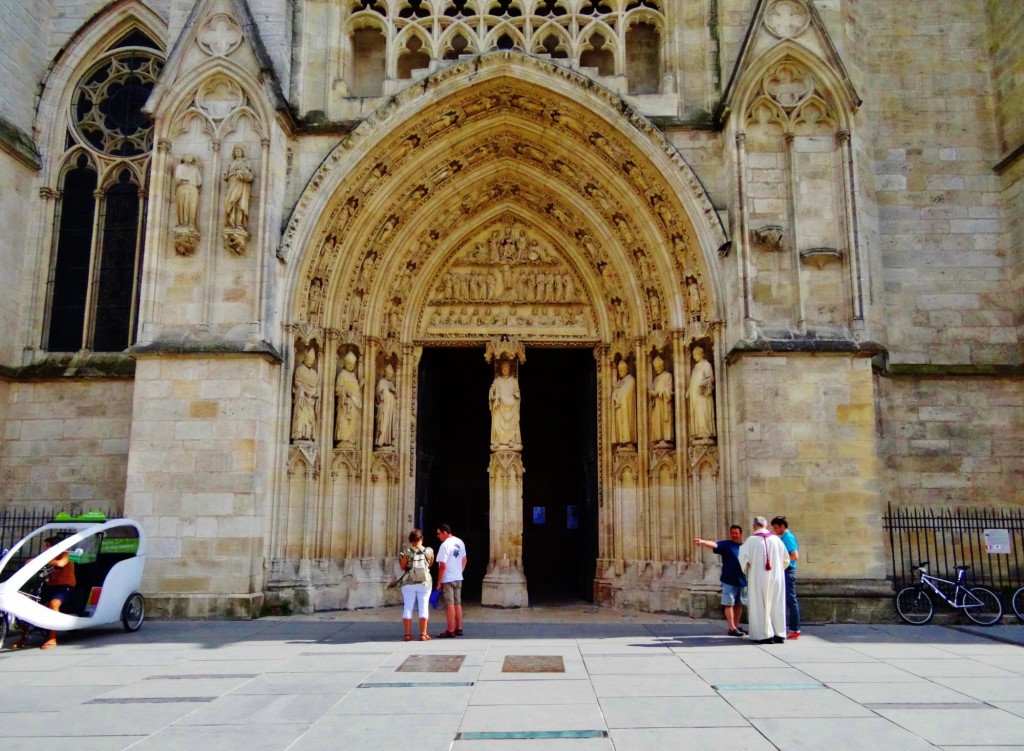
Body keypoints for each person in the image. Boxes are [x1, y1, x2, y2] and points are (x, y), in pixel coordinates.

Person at [13, 536, 76, 650]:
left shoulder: (66, 553)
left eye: (48, 545)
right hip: (49, 586)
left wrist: (41, 561)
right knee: (29, 604)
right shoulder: (45, 556)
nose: (45, 548)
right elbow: (29, 562)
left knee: (53, 604)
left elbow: (61, 564)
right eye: (45, 546)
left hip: (64, 587)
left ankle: (52, 638)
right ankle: (24, 637)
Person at [737, 516, 789, 644]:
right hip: (776, 576)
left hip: (758, 577)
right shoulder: (777, 540)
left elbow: (743, 560)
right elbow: (786, 559)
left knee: (759, 604)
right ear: (766, 526)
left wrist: (749, 570)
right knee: (777, 603)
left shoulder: (751, 541)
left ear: (754, 526)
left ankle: (763, 635)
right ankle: (779, 634)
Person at [695, 525, 747, 637]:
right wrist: (703, 542)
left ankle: (736, 626)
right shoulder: (727, 544)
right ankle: (731, 628)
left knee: (738, 604)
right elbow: (715, 544)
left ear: (741, 534)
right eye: (732, 533)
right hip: (729, 579)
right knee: (729, 603)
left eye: (736, 533)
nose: (734, 535)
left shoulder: (745, 546)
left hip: (742, 580)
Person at [398, 529, 434, 641]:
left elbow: (402, 567)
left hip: (408, 582)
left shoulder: (407, 552)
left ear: (410, 540)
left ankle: (407, 634)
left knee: (408, 607)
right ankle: (423, 634)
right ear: (421, 538)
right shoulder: (428, 551)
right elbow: (430, 564)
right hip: (424, 582)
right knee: (423, 607)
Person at [434, 523, 467, 638]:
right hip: (458, 577)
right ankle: (459, 627)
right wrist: (459, 571)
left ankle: (450, 629)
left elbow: (442, 565)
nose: (438, 536)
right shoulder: (460, 542)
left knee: (450, 604)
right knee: (458, 603)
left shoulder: (445, 545)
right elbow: (464, 559)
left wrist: (439, 582)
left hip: (448, 578)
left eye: (439, 534)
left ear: (445, 532)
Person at [772, 515, 801, 639]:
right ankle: (793, 628)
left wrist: (779, 560)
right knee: (789, 600)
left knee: (791, 600)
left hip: (788, 570)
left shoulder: (787, 537)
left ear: (783, 526)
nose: (775, 530)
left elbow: (794, 555)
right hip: (786, 569)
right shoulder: (784, 537)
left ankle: (794, 629)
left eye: (776, 528)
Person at [488, 359, 522, 451]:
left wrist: (517, 395)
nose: (505, 370)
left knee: (512, 422)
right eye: (504, 368)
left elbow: (517, 392)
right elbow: (492, 391)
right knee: (497, 419)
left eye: (507, 368)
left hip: (511, 406)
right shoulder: (497, 381)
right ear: (501, 369)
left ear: (510, 369)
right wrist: (493, 393)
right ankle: (498, 440)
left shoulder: (514, 381)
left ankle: (512, 440)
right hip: (500, 406)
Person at [223, 145, 254, 229]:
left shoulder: (245, 162)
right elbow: (226, 175)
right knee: (230, 202)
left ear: (242, 152)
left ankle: (239, 223)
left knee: (240, 203)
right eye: (235, 151)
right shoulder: (231, 163)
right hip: (232, 183)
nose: (237, 152)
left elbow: (250, 175)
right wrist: (226, 175)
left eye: (239, 151)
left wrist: (243, 173)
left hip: (241, 183)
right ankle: (230, 223)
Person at [688, 346, 716, 440]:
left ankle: (706, 433)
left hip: (703, 394)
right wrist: (690, 389)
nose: (694, 357)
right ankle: (699, 433)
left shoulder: (706, 364)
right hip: (694, 395)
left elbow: (711, 378)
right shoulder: (695, 367)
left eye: (695, 355)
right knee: (696, 414)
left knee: (703, 413)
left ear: (700, 354)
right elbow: (693, 380)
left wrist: (704, 383)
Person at [334, 351, 361, 446]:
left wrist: (360, 385)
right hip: (345, 404)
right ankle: (343, 440)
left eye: (353, 364)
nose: (351, 366)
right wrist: (345, 391)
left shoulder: (353, 376)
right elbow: (337, 388)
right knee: (344, 421)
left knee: (352, 422)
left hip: (354, 404)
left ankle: (350, 440)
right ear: (345, 363)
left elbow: (356, 391)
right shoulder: (342, 374)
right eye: (349, 364)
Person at [291, 349, 319, 441]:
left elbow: (317, 385)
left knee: (310, 418)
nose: (311, 363)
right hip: (302, 399)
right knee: (301, 416)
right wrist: (304, 391)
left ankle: (308, 435)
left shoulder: (314, 373)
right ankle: (299, 435)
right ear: (305, 359)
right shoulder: (299, 370)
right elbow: (297, 383)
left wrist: (315, 393)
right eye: (309, 360)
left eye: (312, 361)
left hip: (311, 401)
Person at [649, 354, 674, 445]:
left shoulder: (668, 375)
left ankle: (666, 438)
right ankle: (658, 438)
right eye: (655, 368)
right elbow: (651, 388)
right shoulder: (656, 379)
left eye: (658, 367)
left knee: (664, 420)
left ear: (662, 366)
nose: (656, 369)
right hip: (657, 404)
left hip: (664, 403)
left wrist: (662, 392)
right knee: (656, 421)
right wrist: (652, 392)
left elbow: (669, 389)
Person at [611, 359, 637, 445]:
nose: (620, 372)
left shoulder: (631, 380)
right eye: (619, 371)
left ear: (627, 369)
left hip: (626, 408)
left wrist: (618, 393)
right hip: (619, 408)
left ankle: (628, 442)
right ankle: (621, 442)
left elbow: (626, 394)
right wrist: (615, 395)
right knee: (619, 424)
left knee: (626, 424)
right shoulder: (620, 381)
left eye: (621, 370)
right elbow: (614, 392)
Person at [174, 154, 202, 228]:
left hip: (193, 188)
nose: (189, 158)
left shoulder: (195, 169)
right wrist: (184, 179)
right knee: (183, 206)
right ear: (184, 158)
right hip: (183, 187)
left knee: (192, 206)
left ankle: (191, 224)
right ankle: (183, 223)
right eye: (187, 156)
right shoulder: (180, 167)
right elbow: (177, 177)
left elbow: (199, 181)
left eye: (191, 157)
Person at [374, 364, 398, 448]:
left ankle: (388, 442)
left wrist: (394, 392)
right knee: (382, 424)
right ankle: (380, 442)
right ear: (385, 373)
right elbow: (378, 393)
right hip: (384, 407)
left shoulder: (391, 383)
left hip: (391, 408)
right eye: (388, 374)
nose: (389, 376)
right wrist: (382, 393)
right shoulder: (381, 382)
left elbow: (396, 396)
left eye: (391, 375)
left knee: (389, 424)